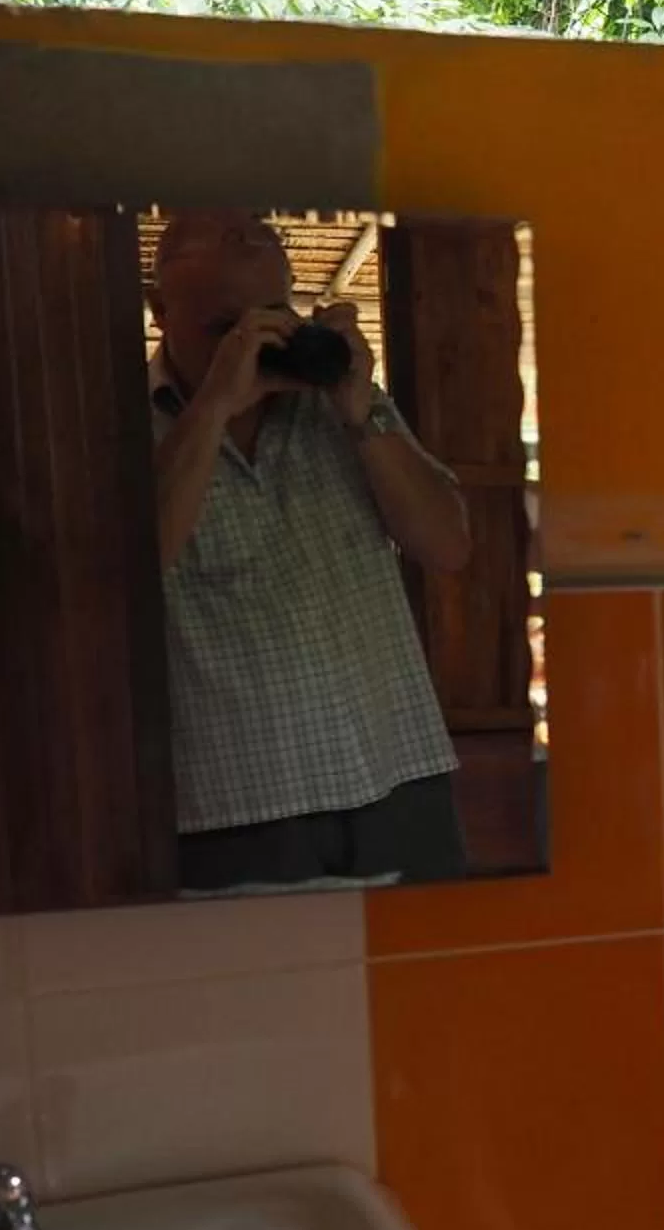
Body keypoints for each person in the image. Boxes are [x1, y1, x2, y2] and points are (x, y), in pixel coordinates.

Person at [149, 210, 475, 892]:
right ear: (160, 312)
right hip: (235, 808)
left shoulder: (344, 405)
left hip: (398, 776)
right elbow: (129, 570)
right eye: (224, 329)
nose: (253, 344)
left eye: (271, 317)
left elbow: (447, 546)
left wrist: (363, 409)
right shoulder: (118, 426)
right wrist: (212, 406)